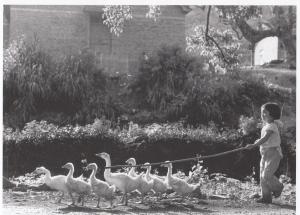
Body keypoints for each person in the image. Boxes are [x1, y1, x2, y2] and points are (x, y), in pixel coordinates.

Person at [245, 102, 284, 203]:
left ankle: (278, 187)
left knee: (267, 175)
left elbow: (265, 138)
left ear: (272, 114)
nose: (262, 114)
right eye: (262, 112)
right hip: (265, 154)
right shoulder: (267, 125)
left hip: (273, 154)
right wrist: (257, 142)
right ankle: (266, 197)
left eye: (264, 112)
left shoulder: (272, 126)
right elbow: (264, 139)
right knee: (262, 177)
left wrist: (254, 145)